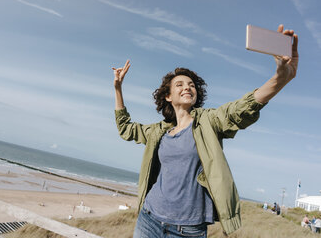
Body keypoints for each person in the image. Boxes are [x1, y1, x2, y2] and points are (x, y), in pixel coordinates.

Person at [112, 24, 298, 237]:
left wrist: (280, 79)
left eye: (191, 85)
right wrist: (118, 88)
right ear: (168, 96)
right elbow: (125, 128)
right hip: (149, 220)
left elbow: (240, 109)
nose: (187, 87)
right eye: (180, 84)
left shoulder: (208, 122)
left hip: (187, 230)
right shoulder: (159, 132)